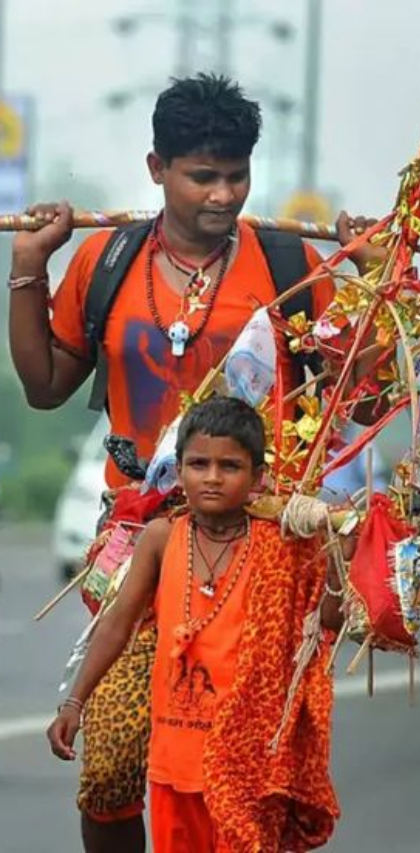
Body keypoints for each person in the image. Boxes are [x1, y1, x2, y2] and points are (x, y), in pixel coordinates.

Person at [8, 73, 383, 852]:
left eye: (237, 175)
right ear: (157, 169)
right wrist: (28, 268)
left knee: (243, 770)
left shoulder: (289, 268)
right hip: (137, 544)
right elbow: (45, 387)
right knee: (111, 765)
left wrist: (375, 283)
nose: (223, 195)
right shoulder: (106, 262)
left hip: (261, 549)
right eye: (202, 176)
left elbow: (364, 401)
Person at [48, 396, 344, 852]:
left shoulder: (281, 545)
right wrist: (74, 701)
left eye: (229, 466)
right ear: (178, 470)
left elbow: (324, 621)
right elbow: (117, 623)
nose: (211, 477)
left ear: (257, 476)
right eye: (198, 463)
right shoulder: (162, 538)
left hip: (245, 763)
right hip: (173, 764)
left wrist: (340, 560)